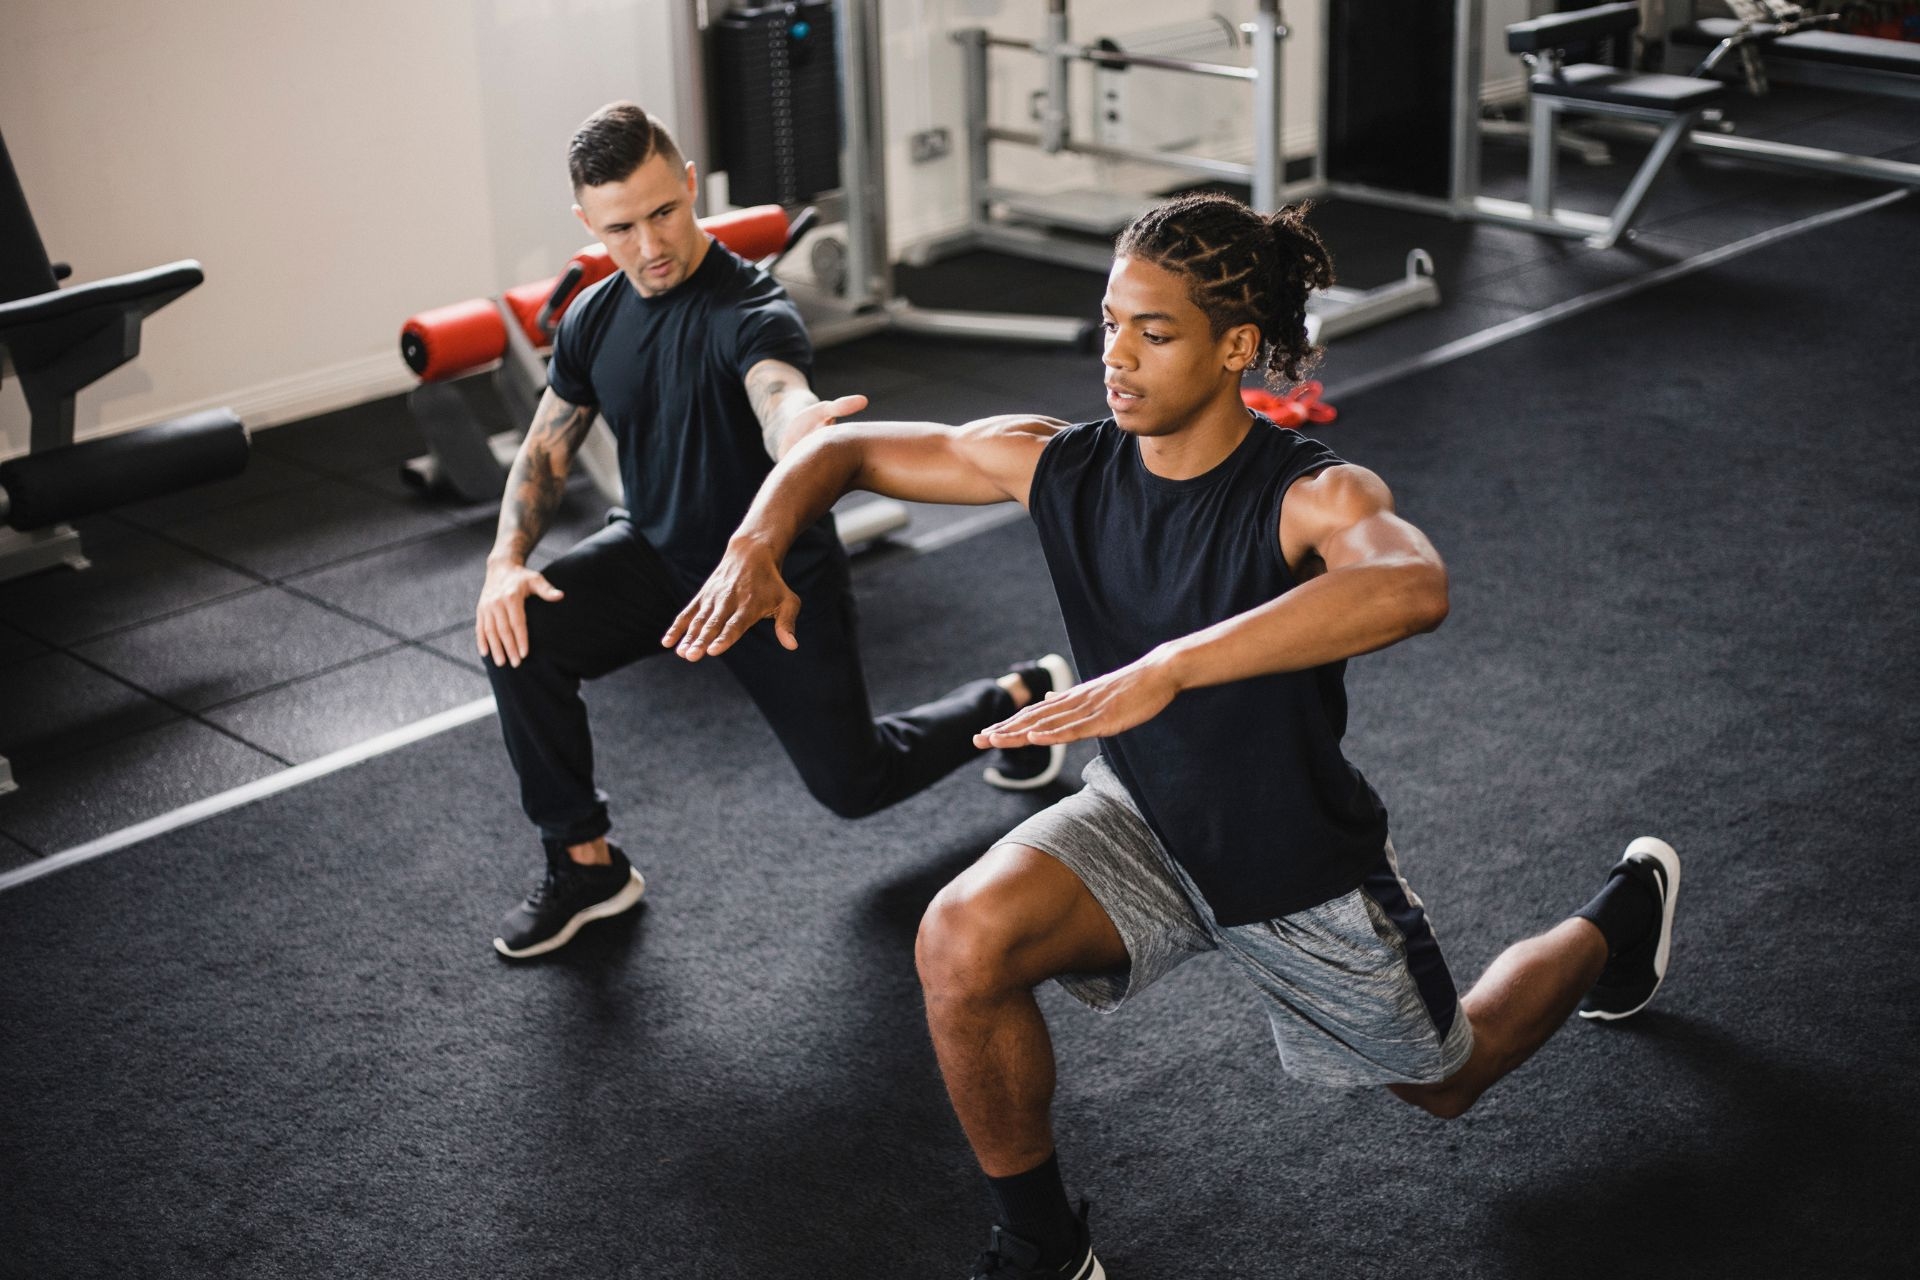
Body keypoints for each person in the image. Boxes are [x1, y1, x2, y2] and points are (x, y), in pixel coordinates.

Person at [664, 192, 1683, 1279]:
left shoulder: (1307, 491)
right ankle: (1045, 1244)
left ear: (1235, 346)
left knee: (1445, 1078)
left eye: (1154, 332)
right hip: (1141, 818)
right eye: (1110, 322)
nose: (1119, 355)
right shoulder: (1062, 464)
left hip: (1290, 858)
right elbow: (852, 451)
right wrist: (756, 539)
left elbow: (1412, 583)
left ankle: (1620, 916)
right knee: (959, 937)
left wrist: (1170, 666)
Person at [474, 102, 1072, 961]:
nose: (650, 246)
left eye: (664, 213)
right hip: (653, 554)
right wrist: (504, 562)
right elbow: (546, 446)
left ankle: (1021, 695)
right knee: (516, 630)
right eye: (621, 228)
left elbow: (777, 393)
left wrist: (802, 429)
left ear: (690, 187)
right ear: (586, 225)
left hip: (770, 577)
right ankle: (587, 867)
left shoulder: (751, 308)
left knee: (855, 785)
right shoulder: (595, 317)